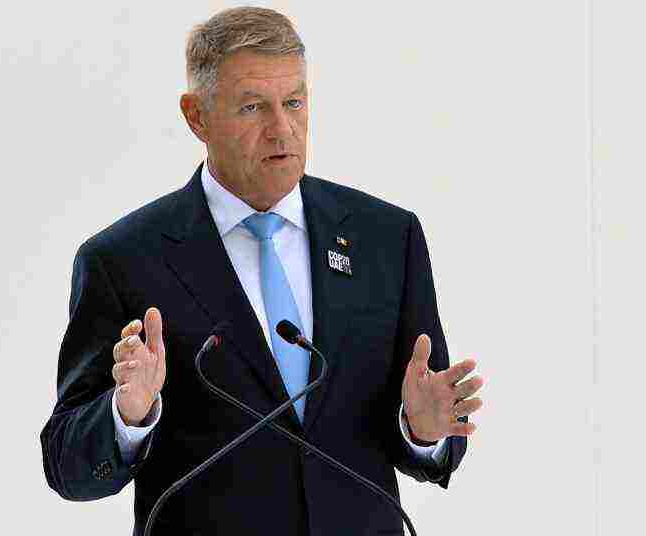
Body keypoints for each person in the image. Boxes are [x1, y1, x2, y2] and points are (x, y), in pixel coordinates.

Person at [39, 6, 484, 536]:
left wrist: (423, 430)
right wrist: (126, 415)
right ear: (197, 117)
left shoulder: (386, 238)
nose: (282, 129)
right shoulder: (123, 260)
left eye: (294, 102)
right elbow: (66, 465)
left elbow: (430, 425)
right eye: (252, 107)